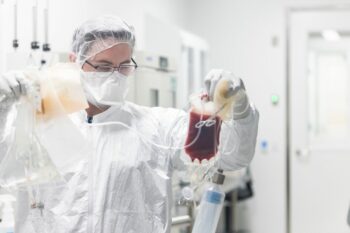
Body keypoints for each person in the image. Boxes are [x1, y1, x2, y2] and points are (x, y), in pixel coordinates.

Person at [0, 15, 259, 233]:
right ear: (75, 62)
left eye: (124, 66)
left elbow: (232, 156)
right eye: (103, 67)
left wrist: (241, 108)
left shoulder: (157, 127)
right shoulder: (43, 127)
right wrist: (1, 109)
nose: (114, 76)